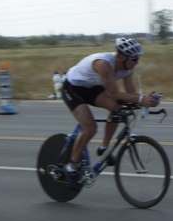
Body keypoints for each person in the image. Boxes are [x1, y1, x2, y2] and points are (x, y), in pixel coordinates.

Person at [62, 37, 160, 189]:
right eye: (134, 59)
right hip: (73, 88)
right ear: (121, 57)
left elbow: (131, 93)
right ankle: (72, 167)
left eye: (138, 58)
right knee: (90, 128)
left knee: (118, 108)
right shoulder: (104, 65)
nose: (137, 62)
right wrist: (141, 99)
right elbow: (114, 93)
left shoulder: (127, 68)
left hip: (92, 88)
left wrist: (147, 100)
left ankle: (105, 148)